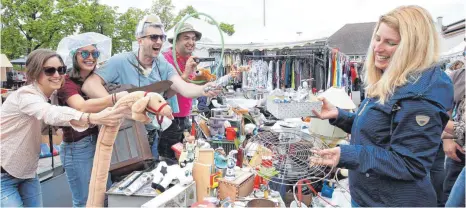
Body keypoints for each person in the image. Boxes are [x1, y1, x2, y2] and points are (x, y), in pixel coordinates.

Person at [311, 5, 453, 207]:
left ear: (412, 48)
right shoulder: (396, 81)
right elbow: (382, 131)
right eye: (377, 38)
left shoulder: (419, 97)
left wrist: (349, 154)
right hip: (371, 198)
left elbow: (411, 164)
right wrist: (340, 116)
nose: (378, 47)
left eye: (390, 42)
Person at [82, 15, 220, 160]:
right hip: (125, 137)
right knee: (125, 180)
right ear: (140, 39)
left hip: (151, 136)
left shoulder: (162, 64)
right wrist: (118, 105)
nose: (159, 41)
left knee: (150, 177)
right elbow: (90, 84)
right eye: (154, 37)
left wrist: (204, 89)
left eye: (162, 37)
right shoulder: (121, 60)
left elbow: (184, 88)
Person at [0, 49, 126, 207]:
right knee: (83, 201)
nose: (57, 74)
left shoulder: (50, 95)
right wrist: (93, 116)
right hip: (3, 175)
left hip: (28, 172)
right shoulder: (25, 96)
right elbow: (52, 113)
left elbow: (54, 121)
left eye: (60, 69)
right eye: (49, 70)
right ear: (34, 72)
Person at [56, 32, 128, 207]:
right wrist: (115, 98)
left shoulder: (95, 80)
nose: (91, 58)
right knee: (85, 201)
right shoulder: (66, 82)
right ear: (74, 56)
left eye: (94, 54)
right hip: (77, 147)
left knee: (103, 197)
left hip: (97, 141)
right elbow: (81, 106)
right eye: (84, 53)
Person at [161, 23, 240, 159]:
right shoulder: (164, 59)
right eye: (186, 38)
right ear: (175, 40)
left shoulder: (189, 59)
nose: (191, 42)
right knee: (168, 161)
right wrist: (186, 74)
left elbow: (195, 85)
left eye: (193, 39)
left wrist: (224, 79)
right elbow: (164, 94)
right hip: (167, 119)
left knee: (184, 158)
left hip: (185, 116)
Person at [442, 58, 465, 207]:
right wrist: (448, 139)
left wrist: (436, 120)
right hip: (458, 152)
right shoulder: (457, 76)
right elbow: (445, 110)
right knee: (450, 194)